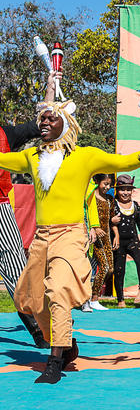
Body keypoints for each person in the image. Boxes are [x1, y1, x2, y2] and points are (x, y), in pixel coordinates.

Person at [0, 98, 140, 384]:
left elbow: (125, 161)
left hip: (70, 235)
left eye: (51, 118)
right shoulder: (31, 157)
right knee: (30, 298)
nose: (43, 122)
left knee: (58, 291)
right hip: (42, 238)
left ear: (66, 124)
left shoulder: (85, 156)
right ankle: (63, 344)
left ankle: (54, 361)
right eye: (41, 118)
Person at [0, 70, 58, 348]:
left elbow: (40, 125)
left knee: (19, 275)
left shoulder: (6, 134)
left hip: (1, 212)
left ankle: (39, 330)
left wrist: (50, 90)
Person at [111, 174, 140, 307]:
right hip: (118, 243)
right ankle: (120, 299)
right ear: (117, 190)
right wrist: (111, 221)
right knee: (119, 270)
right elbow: (104, 221)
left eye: (128, 190)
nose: (125, 193)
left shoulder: (135, 205)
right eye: (122, 189)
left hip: (133, 240)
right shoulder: (113, 205)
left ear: (132, 191)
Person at [85, 173, 115, 311]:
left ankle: (92, 294)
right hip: (95, 238)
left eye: (109, 184)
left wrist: (117, 236)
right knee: (103, 267)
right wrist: (95, 229)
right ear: (97, 182)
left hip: (107, 237)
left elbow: (112, 219)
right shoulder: (91, 196)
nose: (107, 187)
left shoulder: (109, 199)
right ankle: (93, 298)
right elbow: (88, 215)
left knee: (110, 269)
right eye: (105, 184)